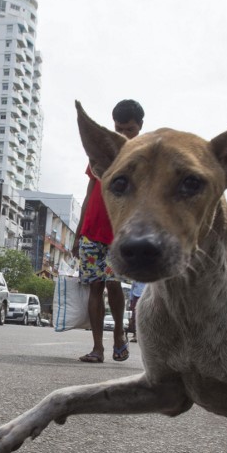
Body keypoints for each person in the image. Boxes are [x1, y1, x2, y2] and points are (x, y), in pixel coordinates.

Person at [73, 99, 144, 363]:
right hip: (92, 230)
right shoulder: (101, 151)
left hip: (119, 233)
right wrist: (79, 231)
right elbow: (90, 191)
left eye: (130, 129)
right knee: (95, 287)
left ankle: (118, 336)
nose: (123, 134)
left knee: (114, 285)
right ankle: (97, 348)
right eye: (119, 128)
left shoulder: (144, 157)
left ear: (139, 128)